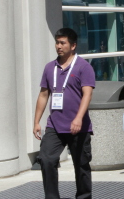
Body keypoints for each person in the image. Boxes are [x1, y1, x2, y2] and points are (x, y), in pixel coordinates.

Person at [33, 28, 95, 199]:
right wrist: (37, 121)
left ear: (73, 45)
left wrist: (78, 118)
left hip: (78, 126)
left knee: (81, 166)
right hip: (55, 125)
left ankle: (83, 196)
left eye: (63, 43)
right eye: (57, 42)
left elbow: (87, 94)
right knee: (46, 160)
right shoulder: (49, 68)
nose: (58, 46)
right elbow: (44, 94)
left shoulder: (84, 67)